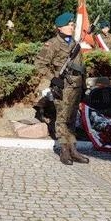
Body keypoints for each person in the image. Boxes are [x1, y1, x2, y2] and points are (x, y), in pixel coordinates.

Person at [34, 12, 88, 166]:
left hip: (76, 86)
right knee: (62, 119)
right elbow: (39, 64)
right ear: (59, 27)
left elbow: (81, 67)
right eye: (68, 25)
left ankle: (73, 149)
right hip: (62, 86)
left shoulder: (74, 43)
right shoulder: (53, 44)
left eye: (72, 25)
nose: (72, 27)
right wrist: (53, 78)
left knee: (72, 118)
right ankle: (64, 150)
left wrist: (83, 86)